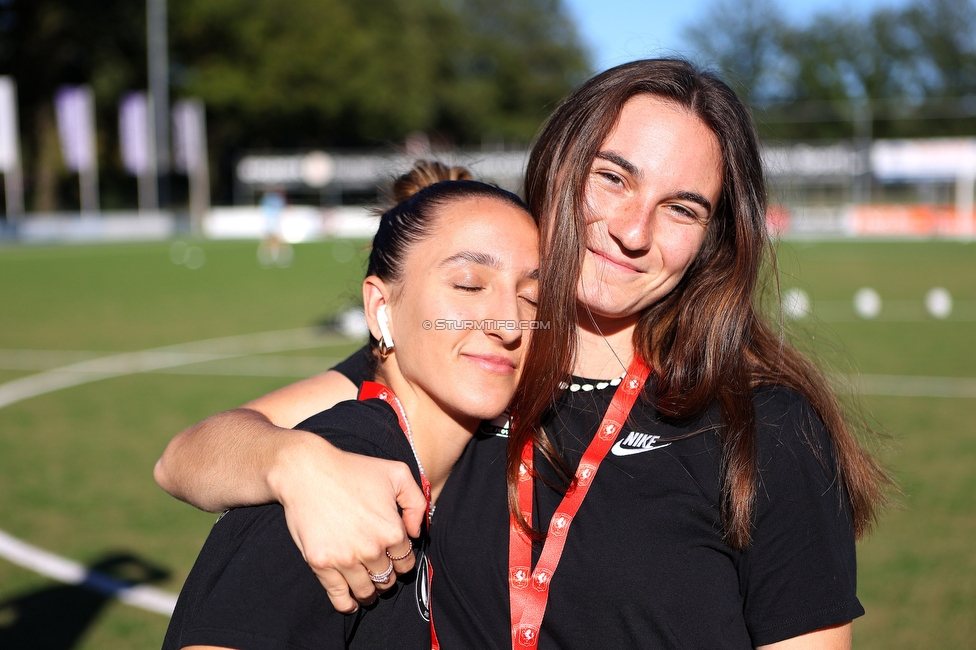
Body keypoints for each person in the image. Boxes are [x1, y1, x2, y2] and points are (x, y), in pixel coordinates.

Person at [156, 59, 890, 649]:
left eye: (681, 209)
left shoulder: (766, 424)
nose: (634, 231)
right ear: (562, 167)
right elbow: (188, 457)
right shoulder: (473, 364)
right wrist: (295, 464)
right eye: (614, 178)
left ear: (713, 240)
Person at [161, 161, 540, 650]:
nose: (509, 324)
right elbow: (179, 460)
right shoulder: (336, 486)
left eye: (534, 298)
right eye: (468, 285)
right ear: (382, 309)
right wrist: (297, 463)